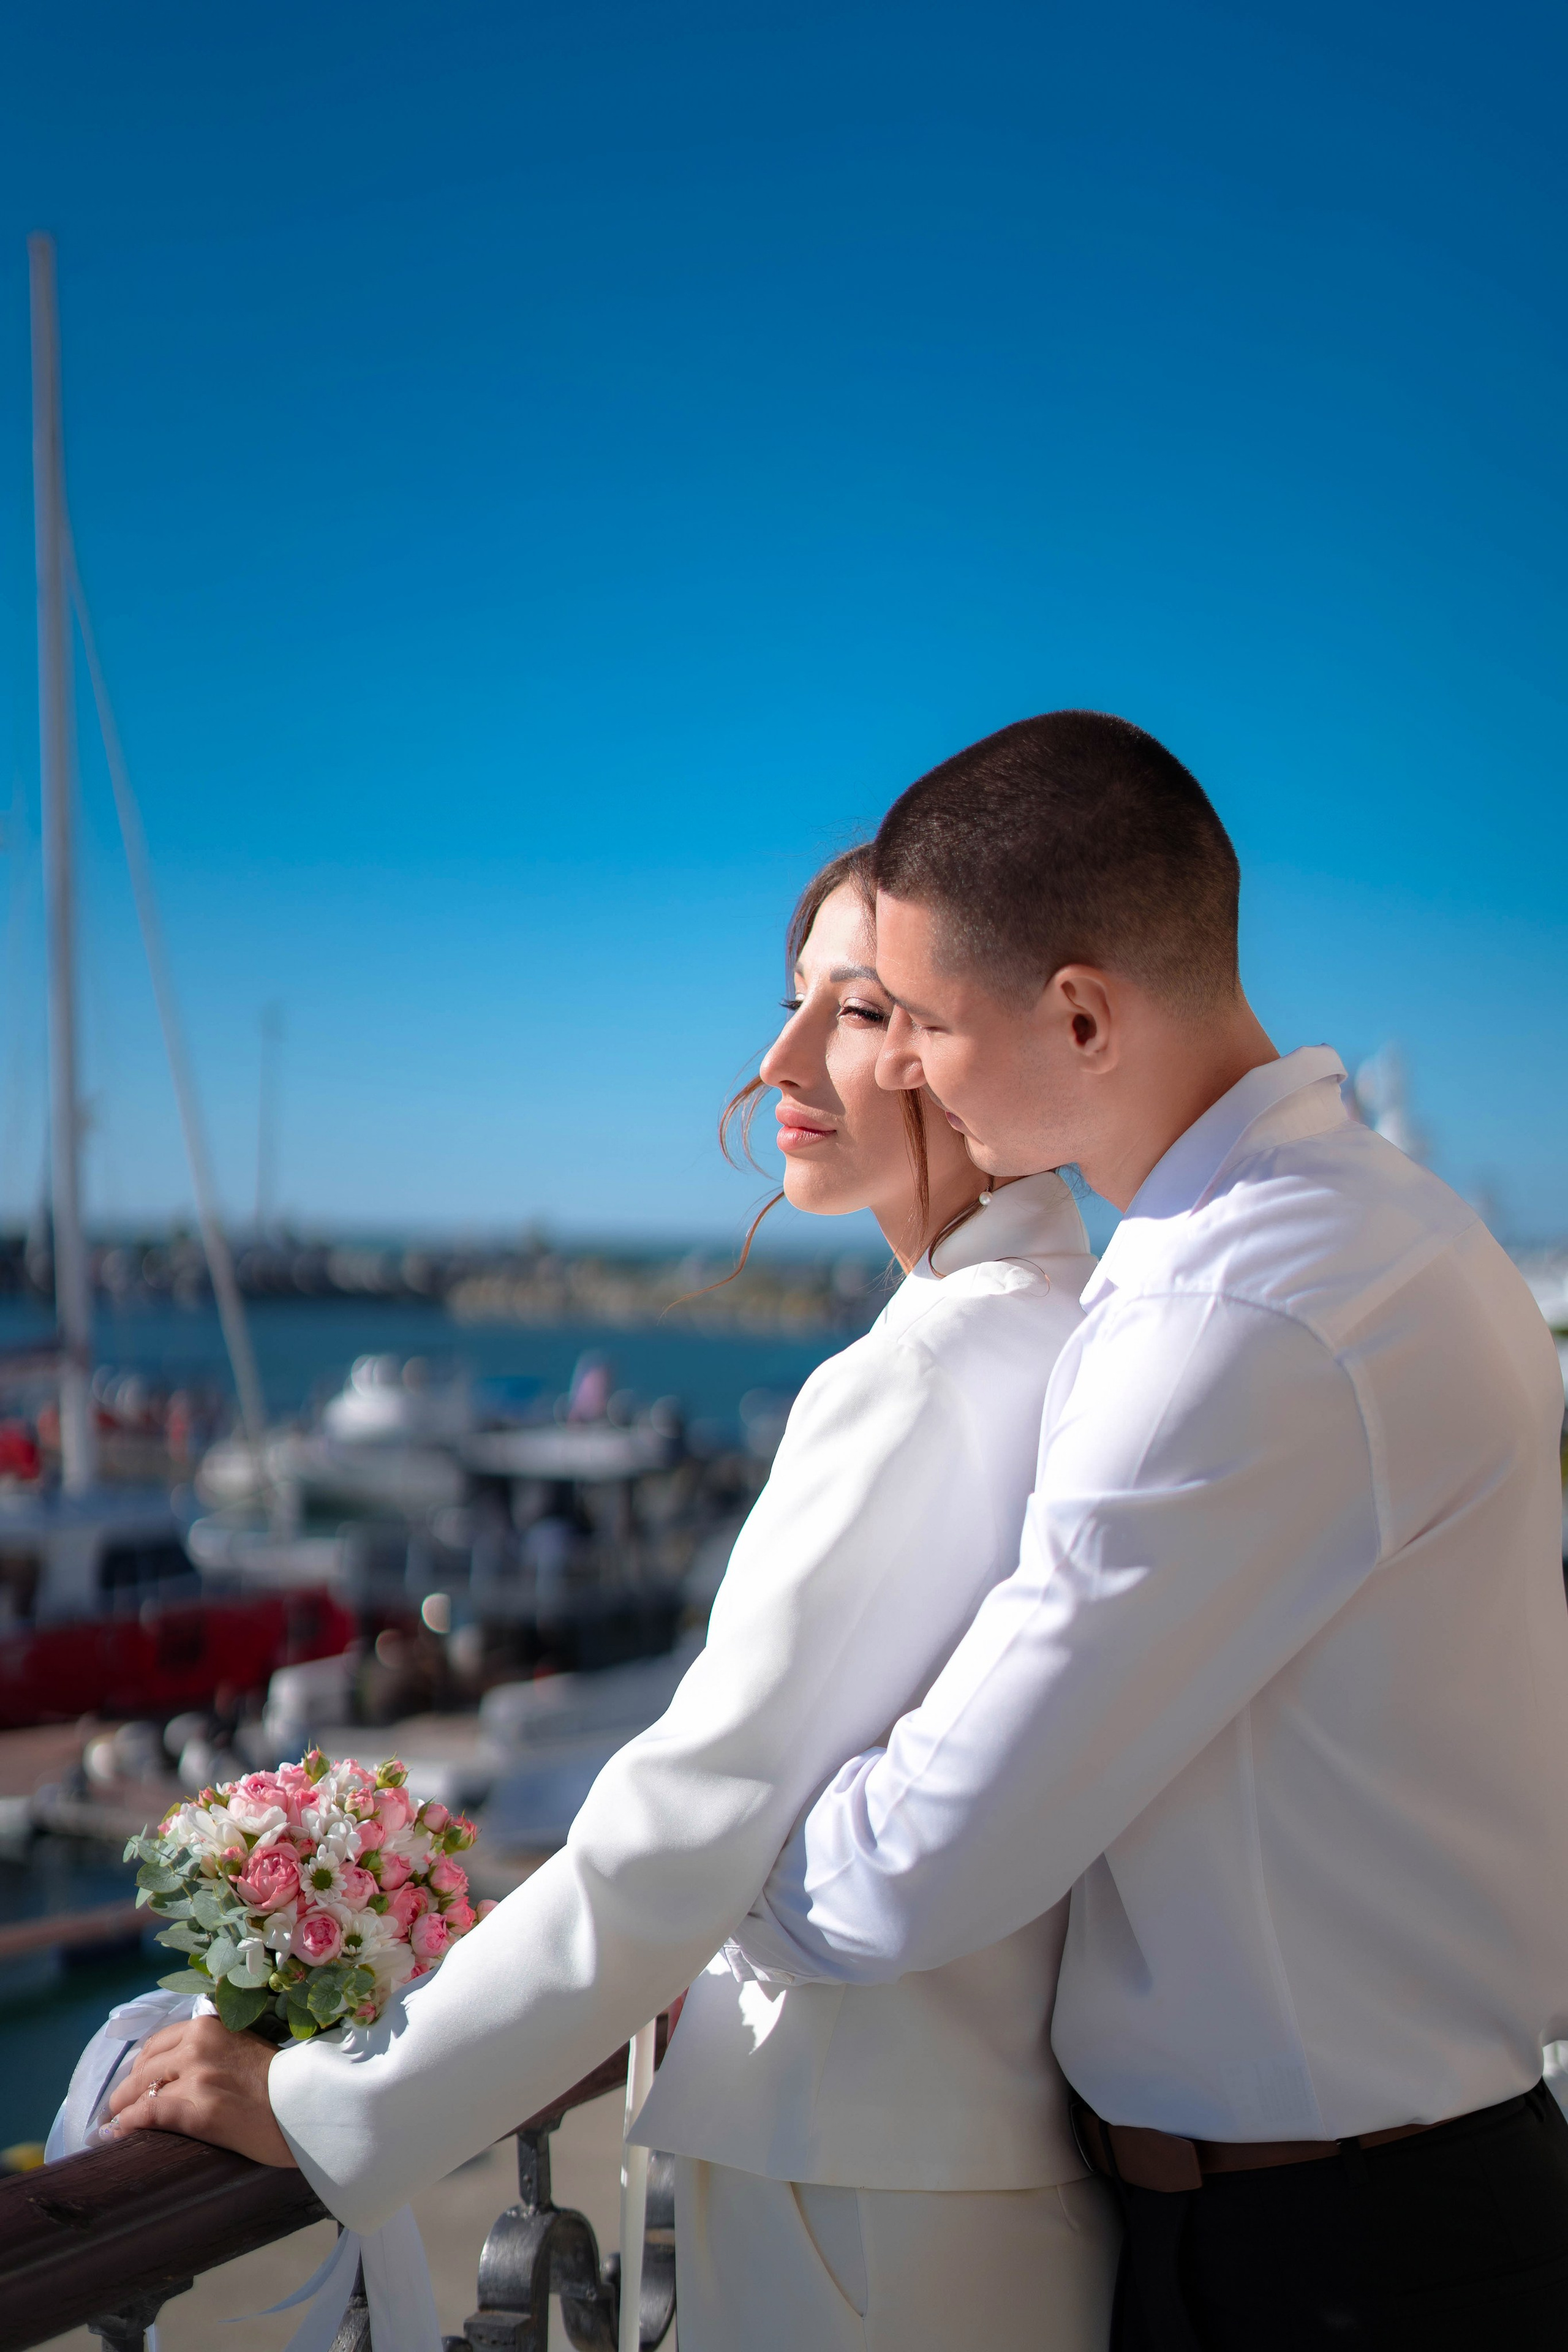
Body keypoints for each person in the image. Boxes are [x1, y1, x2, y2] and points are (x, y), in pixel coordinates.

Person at [107, 844, 1120, 2351]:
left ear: (960, 1043)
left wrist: (333, 2100)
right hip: (980, 2177)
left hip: (855, 2215)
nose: (778, 1059)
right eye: (792, 1004)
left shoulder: (917, 1376)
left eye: (852, 1010)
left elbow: (683, 1827)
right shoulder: (1073, 1334)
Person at [729, 711, 1568, 2348]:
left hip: (1337, 2268)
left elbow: (908, 1870)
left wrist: (706, 1866)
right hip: (1362, 2219)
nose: (900, 1069)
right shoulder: (1384, 1230)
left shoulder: (1236, 1319)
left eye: (925, 1024)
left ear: (1085, 1015)